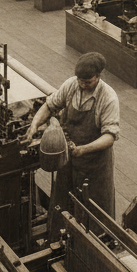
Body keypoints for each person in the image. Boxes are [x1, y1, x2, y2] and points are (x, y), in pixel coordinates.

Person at [24, 52, 119, 239]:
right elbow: (49, 106)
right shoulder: (71, 85)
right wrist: (35, 124)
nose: (83, 85)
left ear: (99, 76)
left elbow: (109, 136)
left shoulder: (108, 98)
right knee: (62, 199)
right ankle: (58, 238)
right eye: (81, 81)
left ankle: (95, 247)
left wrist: (83, 149)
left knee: (95, 207)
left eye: (88, 82)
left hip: (95, 165)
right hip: (69, 158)